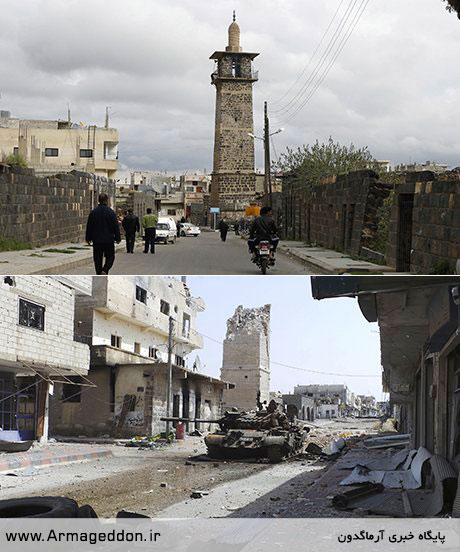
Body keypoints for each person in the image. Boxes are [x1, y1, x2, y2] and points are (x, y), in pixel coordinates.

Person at [86, 193, 121, 275]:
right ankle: (105, 270)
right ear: (106, 200)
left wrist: (88, 238)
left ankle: (99, 273)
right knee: (110, 257)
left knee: (97, 258)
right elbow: (116, 226)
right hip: (108, 240)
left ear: (98, 200)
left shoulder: (93, 212)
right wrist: (118, 238)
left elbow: (89, 226)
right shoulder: (111, 213)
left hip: (97, 240)